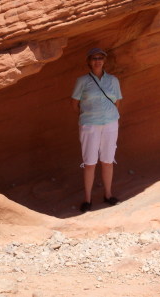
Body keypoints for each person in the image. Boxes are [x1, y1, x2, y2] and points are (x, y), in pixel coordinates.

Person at [71, 48, 123, 212]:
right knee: (90, 162)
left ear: (104, 61)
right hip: (90, 124)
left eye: (100, 58)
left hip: (110, 123)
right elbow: (74, 103)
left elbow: (117, 102)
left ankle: (108, 194)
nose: (97, 61)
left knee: (108, 160)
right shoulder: (82, 81)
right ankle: (87, 199)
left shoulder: (113, 80)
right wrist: (86, 116)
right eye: (94, 58)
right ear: (89, 61)